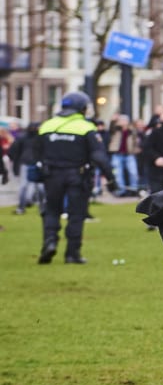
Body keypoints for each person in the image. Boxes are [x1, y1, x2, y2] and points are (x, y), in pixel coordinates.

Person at [33, 92, 113, 264]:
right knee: (76, 213)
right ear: (82, 108)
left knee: (51, 211)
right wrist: (111, 178)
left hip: (51, 175)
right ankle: (72, 253)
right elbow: (99, 156)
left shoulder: (47, 125)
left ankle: (50, 242)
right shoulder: (86, 127)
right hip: (78, 175)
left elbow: (35, 152)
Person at [107, 114, 142, 196]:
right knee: (118, 174)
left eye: (124, 120)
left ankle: (133, 190)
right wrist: (113, 121)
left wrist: (136, 150)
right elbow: (110, 129)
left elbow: (136, 141)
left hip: (129, 154)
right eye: (121, 120)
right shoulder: (116, 129)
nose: (122, 122)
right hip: (117, 154)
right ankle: (120, 191)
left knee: (133, 172)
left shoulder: (131, 130)